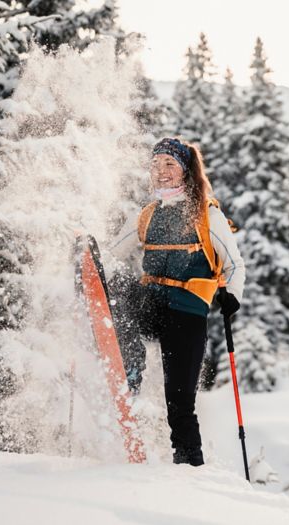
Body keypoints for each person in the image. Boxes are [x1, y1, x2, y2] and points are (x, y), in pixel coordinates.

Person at [107, 137, 245, 467]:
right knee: (118, 283)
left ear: (185, 170)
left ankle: (190, 470)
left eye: (169, 164)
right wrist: (88, 257)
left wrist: (231, 296)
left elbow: (234, 264)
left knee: (180, 402)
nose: (161, 171)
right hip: (151, 304)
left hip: (187, 313)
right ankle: (132, 368)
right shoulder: (147, 215)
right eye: (155, 165)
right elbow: (112, 256)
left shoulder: (205, 214)